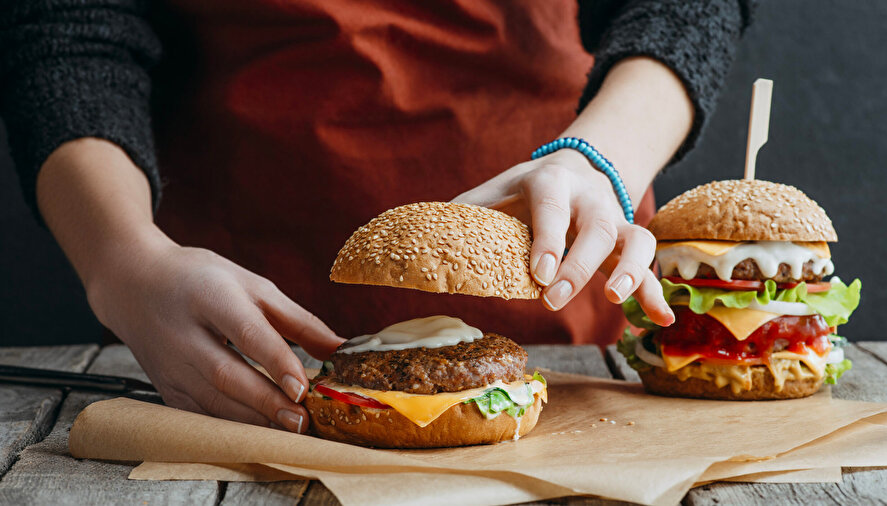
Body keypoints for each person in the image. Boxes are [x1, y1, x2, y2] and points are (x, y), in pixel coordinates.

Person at [0, 0, 754, 432]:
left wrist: (602, 157)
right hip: (227, 294)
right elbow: (69, 31)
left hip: (558, 233)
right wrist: (124, 259)